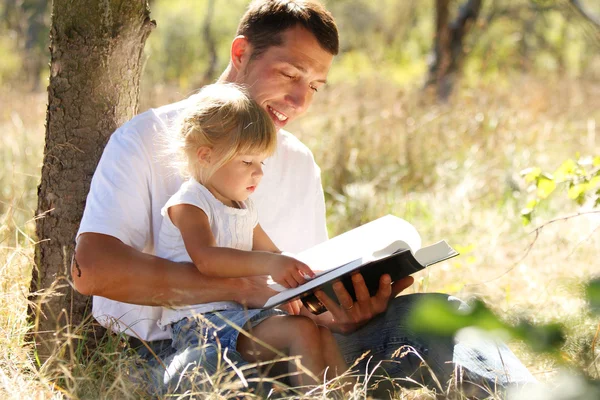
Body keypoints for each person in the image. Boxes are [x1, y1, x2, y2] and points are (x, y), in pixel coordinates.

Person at [73, 0, 535, 397]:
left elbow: (304, 294)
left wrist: (348, 311)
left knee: (451, 316)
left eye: (314, 86)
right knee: (216, 378)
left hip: (299, 345)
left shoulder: (296, 161)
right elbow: (94, 270)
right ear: (240, 52)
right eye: (289, 74)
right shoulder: (149, 138)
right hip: (183, 349)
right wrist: (238, 288)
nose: (299, 101)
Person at [155, 82, 348, 390]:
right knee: (300, 332)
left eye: (261, 163)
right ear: (205, 156)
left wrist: (309, 274)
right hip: (201, 324)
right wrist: (271, 266)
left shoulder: (243, 207)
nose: (258, 173)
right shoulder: (190, 203)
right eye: (247, 162)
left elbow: (274, 254)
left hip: (241, 315)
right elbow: (207, 259)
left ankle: (346, 396)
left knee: (316, 329)